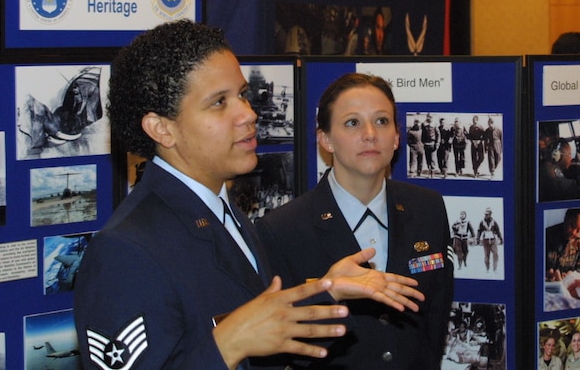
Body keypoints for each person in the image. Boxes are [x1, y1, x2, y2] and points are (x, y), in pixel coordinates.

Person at [74, 20, 421, 370]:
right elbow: (234, 336)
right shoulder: (126, 251)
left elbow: (258, 336)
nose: (248, 113)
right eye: (219, 103)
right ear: (162, 128)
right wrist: (226, 344)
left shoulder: (227, 215)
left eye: (241, 94)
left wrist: (327, 292)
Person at [256, 73, 454, 369]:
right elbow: (276, 342)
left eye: (382, 121)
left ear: (398, 136)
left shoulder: (428, 208)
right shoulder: (283, 229)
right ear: (325, 138)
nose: (370, 134)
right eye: (352, 123)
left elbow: (435, 319)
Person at [545, 208, 580, 282]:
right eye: (572, 226)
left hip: (568, 284)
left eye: (579, 230)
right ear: (566, 219)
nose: (574, 232)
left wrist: (572, 274)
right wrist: (547, 272)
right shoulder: (546, 235)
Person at [476, 207, 503, 273]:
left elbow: (498, 231)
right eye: (485, 214)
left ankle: (495, 269)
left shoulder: (494, 222)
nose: (486, 215)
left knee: (495, 253)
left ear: (490, 214)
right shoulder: (482, 222)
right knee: (487, 255)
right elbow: (479, 231)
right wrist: (478, 239)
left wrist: (501, 239)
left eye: (488, 214)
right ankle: (487, 268)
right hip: (485, 241)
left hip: (493, 240)